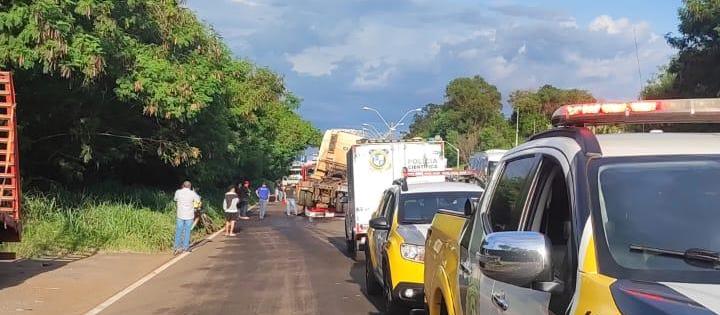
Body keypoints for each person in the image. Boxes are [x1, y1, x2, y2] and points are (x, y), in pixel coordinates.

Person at [174, 181, 200, 254]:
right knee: (187, 231)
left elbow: (175, 199)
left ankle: (176, 247)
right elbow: (198, 200)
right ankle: (185, 248)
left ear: (183, 185)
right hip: (189, 215)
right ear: (190, 186)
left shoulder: (178, 192)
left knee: (179, 231)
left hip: (180, 214)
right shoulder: (192, 193)